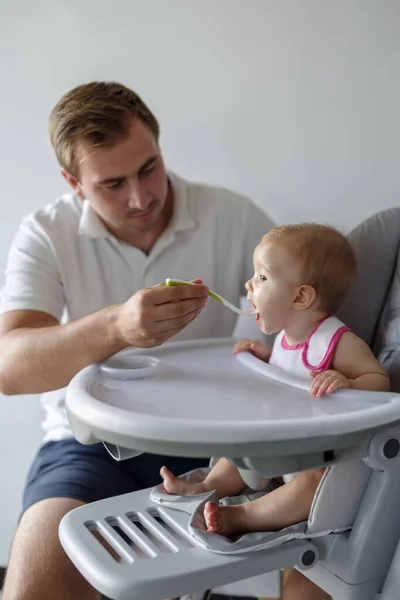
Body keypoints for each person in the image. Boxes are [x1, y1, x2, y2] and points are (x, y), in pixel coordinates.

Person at [0, 81, 274, 600]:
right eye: (112, 183)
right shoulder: (45, 233)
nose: (141, 197)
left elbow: (302, 315)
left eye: (149, 168)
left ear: (160, 146)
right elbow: (9, 368)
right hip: (89, 449)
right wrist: (116, 328)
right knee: (36, 579)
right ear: (73, 182)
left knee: (327, 544)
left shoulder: (234, 217)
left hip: (226, 446)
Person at [161, 224, 389, 538]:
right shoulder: (285, 338)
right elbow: (292, 375)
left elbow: (381, 383)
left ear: (300, 297)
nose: (249, 283)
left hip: (316, 456)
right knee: (238, 451)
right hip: (276, 442)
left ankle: (241, 517)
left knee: (312, 487)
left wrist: (347, 382)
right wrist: (268, 361)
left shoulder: (337, 342)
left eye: (262, 277)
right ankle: (204, 488)